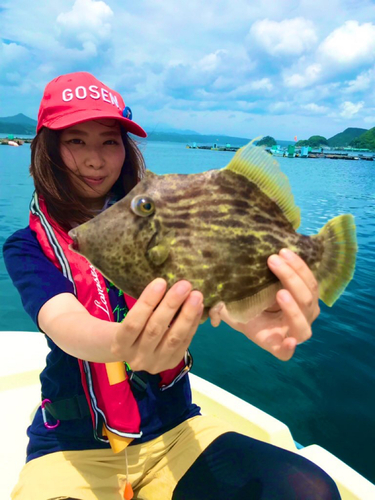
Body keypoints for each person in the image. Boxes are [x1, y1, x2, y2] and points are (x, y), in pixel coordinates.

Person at [3, 71, 341, 500]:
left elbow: (206, 279)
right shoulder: (27, 246)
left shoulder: (163, 214)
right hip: (72, 446)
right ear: (48, 150)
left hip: (174, 429)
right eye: (76, 141)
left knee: (309, 491)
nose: (95, 159)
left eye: (109, 141)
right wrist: (123, 343)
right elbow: (65, 323)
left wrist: (252, 313)